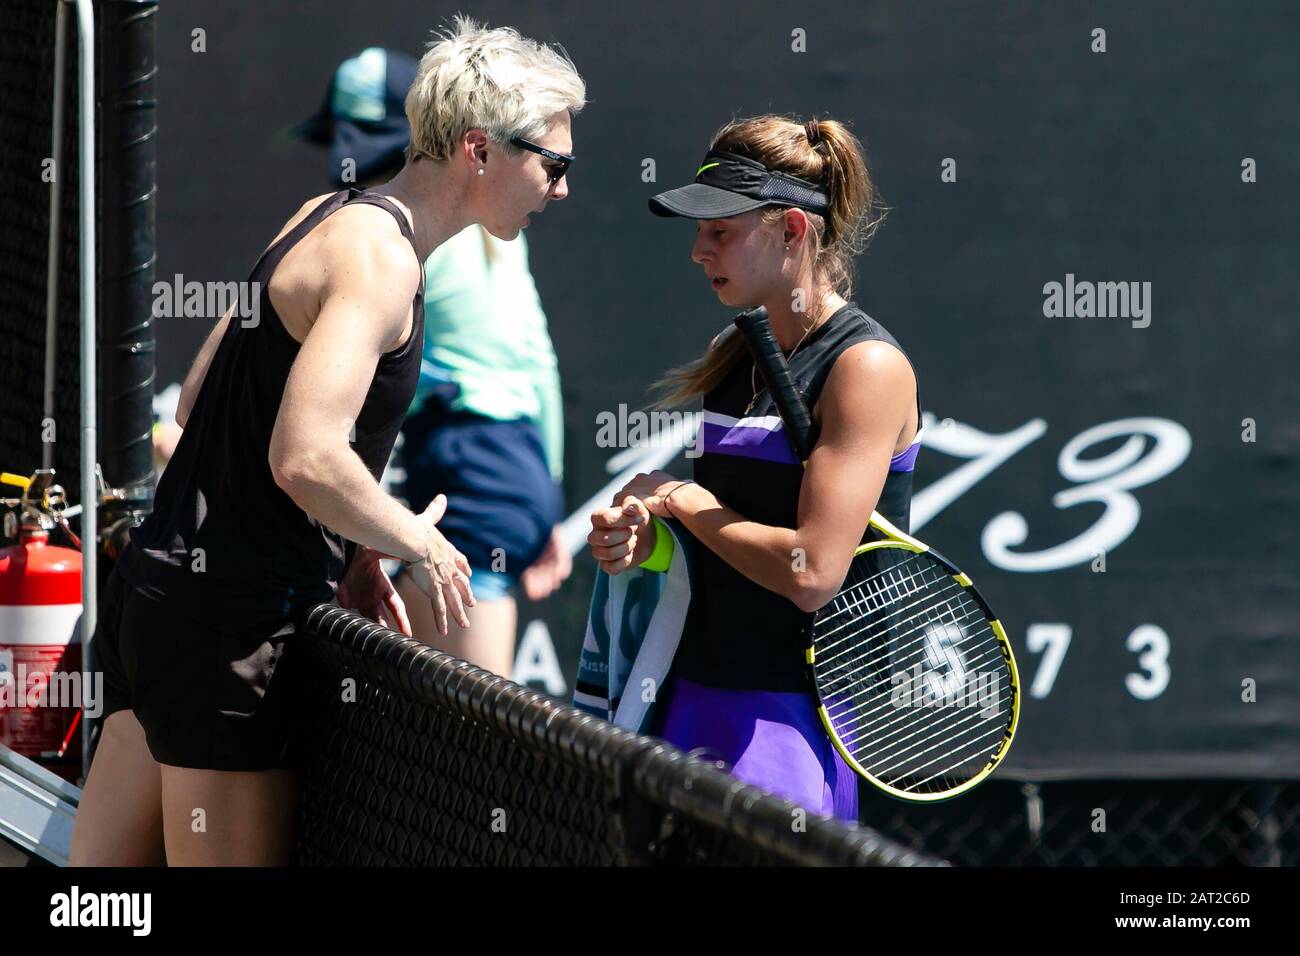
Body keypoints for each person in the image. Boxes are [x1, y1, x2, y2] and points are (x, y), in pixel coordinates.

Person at [70, 16, 585, 866]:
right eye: (552, 164)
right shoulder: (384, 262)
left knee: (93, 903)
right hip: (227, 627)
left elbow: (197, 411)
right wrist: (416, 537)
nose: (561, 189)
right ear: (478, 150)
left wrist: (350, 542)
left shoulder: (326, 213)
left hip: (153, 604)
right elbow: (304, 455)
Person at [586, 115, 918, 822]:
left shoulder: (868, 368)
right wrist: (649, 541)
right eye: (699, 232)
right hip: (689, 699)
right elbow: (723, 531)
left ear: (793, 230)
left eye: (721, 231)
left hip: (789, 725)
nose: (699, 251)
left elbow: (810, 572)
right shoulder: (735, 351)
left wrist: (677, 498)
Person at [296, 46, 571, 675]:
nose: (348, 170)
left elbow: (347, 416)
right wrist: (545, 493)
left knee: (471, 734)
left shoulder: (398, 242)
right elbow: (537, 362)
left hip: (471, 473)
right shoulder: (484, 233)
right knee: (439, 725)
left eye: (369, 148)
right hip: (515, 470)